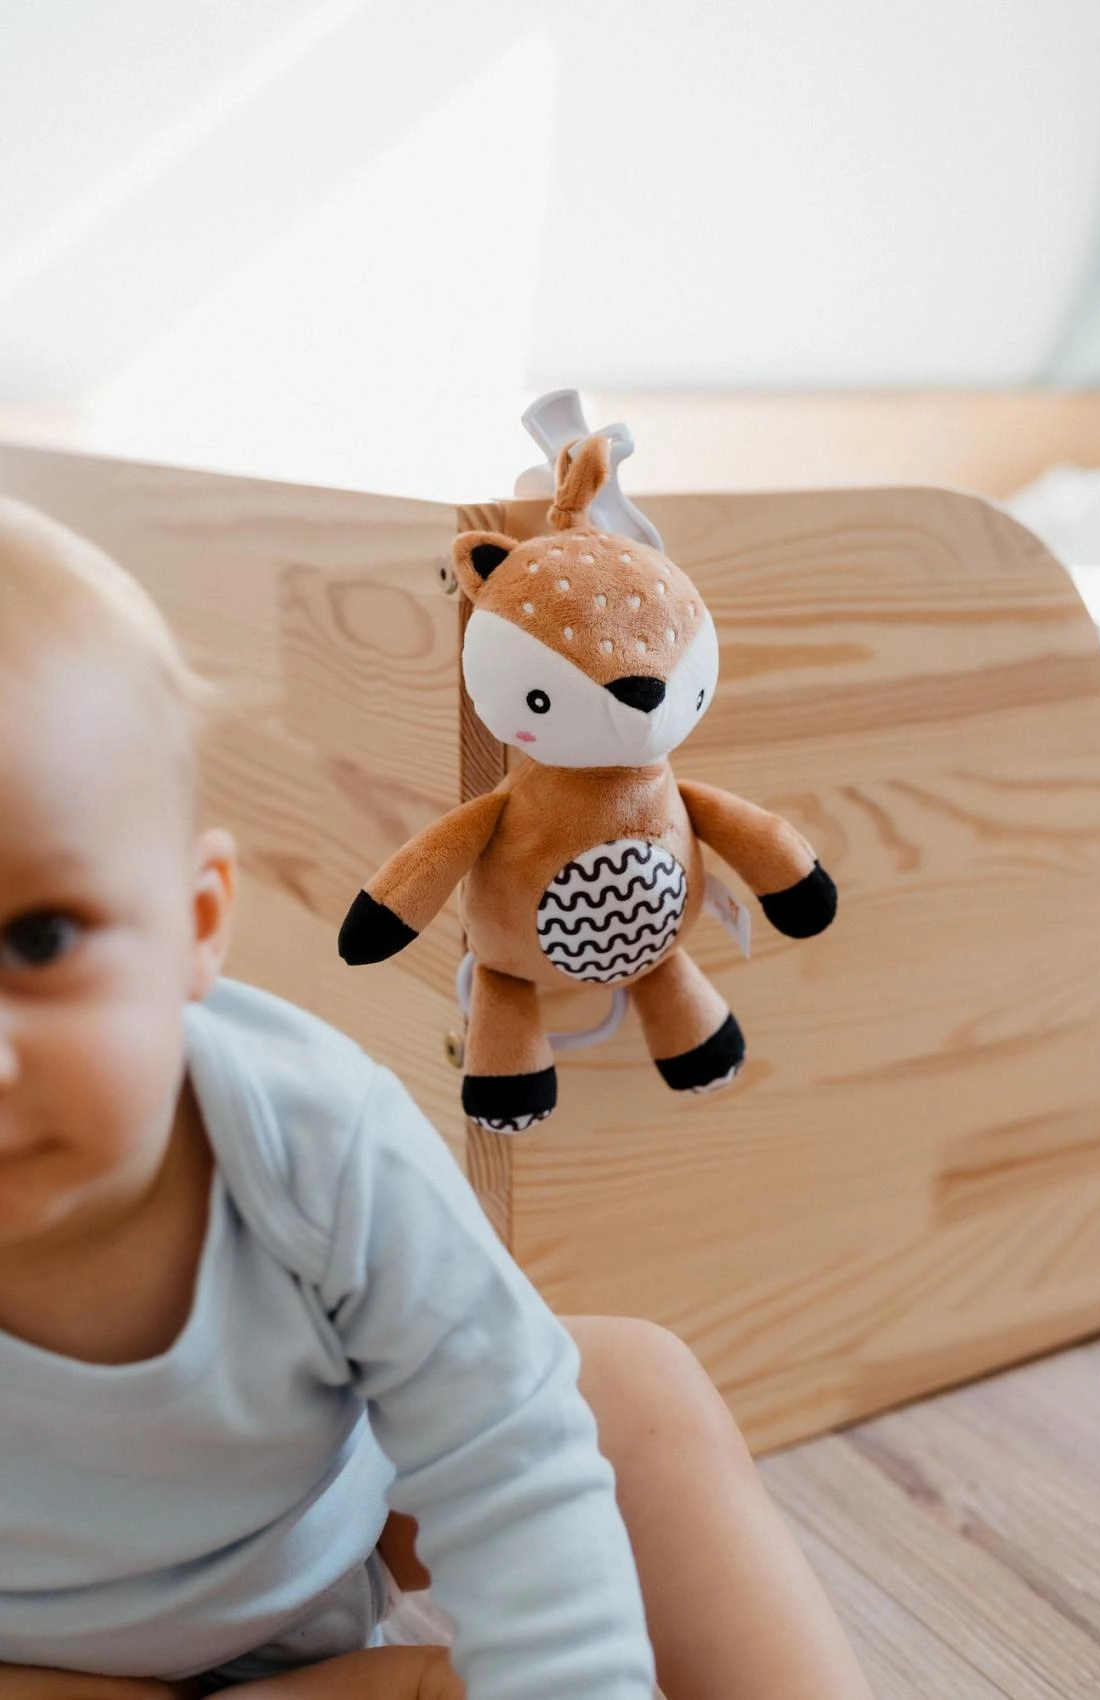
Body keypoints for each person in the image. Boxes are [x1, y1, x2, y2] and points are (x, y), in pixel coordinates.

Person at [0, 498, 874, 1700]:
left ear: (196, 925)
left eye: (39, 939)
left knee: (626, 1387)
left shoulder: (314, 1132)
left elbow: (506, 1438)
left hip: (317, 1535)